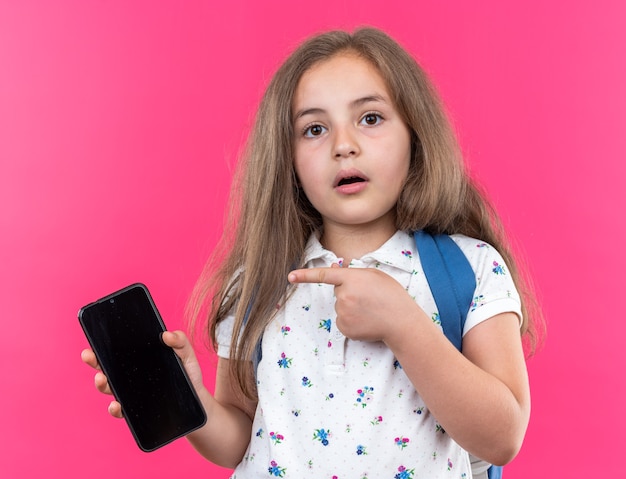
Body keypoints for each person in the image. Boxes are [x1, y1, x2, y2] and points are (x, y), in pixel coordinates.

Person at [82, 27, 542, 478]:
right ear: (288, 158)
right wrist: (191, 398)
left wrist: (404, 324)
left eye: (371, 118)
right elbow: (238, 443)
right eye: (314, 129)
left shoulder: (471, 267)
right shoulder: (256, 280)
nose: (344, 146)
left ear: (415, 135)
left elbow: (502, 438)